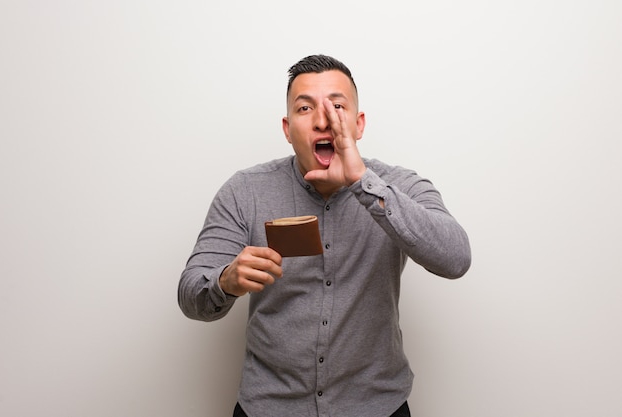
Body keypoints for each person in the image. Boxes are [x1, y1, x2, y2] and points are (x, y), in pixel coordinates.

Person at [178, 54, 471, 417]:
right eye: (305, 108)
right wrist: (227, 280)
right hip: (269, 408)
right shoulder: (244, 191)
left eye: (337, 106)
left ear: (358, 124)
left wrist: (363, 183)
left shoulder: (401, 186)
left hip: (377, 407)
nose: (323, 120)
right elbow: (191, 296)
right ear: (287, 129)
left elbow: (456, 258)